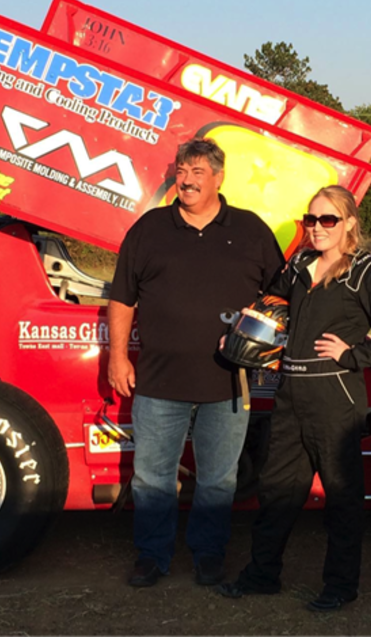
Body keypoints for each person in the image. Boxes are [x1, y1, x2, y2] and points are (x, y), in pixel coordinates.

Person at [218, 185, 371, 611]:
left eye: (327, 220)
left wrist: (356, 355)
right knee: (277, 490)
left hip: (335, 395)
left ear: (349, 224)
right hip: (291, 394)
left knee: (342, 496)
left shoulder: (367, 270)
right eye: (311, 219)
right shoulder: (300, 262)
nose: (317, 228)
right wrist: (248, 338)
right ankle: (261, 575)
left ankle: (340, 586)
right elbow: (270, 308)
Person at [108, 137, 285, 588]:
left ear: (219, 178)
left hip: (227, 384)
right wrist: (116, 358)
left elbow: (280, 298)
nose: (186, 181)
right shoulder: (150, 229)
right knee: (151, 477)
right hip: (158, 381)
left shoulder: (249, 230)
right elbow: (123, 299)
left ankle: (209, 555)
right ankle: (152, 555)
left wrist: (271, 347)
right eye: (181, 172)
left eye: (197, 173)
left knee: (219, 480)